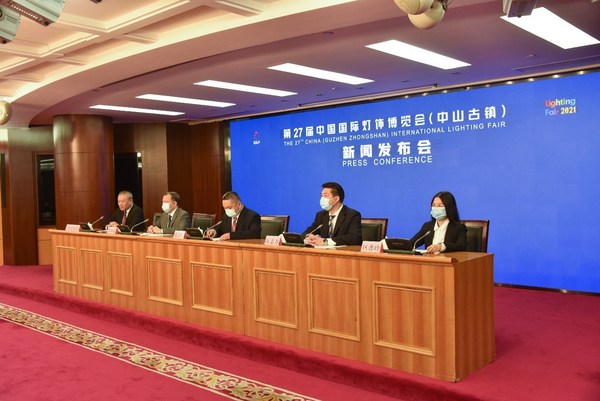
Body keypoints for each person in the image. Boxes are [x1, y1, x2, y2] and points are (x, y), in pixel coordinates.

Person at [302, 182, 362, 246]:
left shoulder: (352, 215)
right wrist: (308, 239)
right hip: (323, 251)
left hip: (342, 251)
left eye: (325, 195)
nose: (322, 199)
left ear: (336, 199)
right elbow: (308, 232)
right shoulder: (321, 215)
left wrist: (325, 241)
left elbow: (354, 238)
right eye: (321, 195)